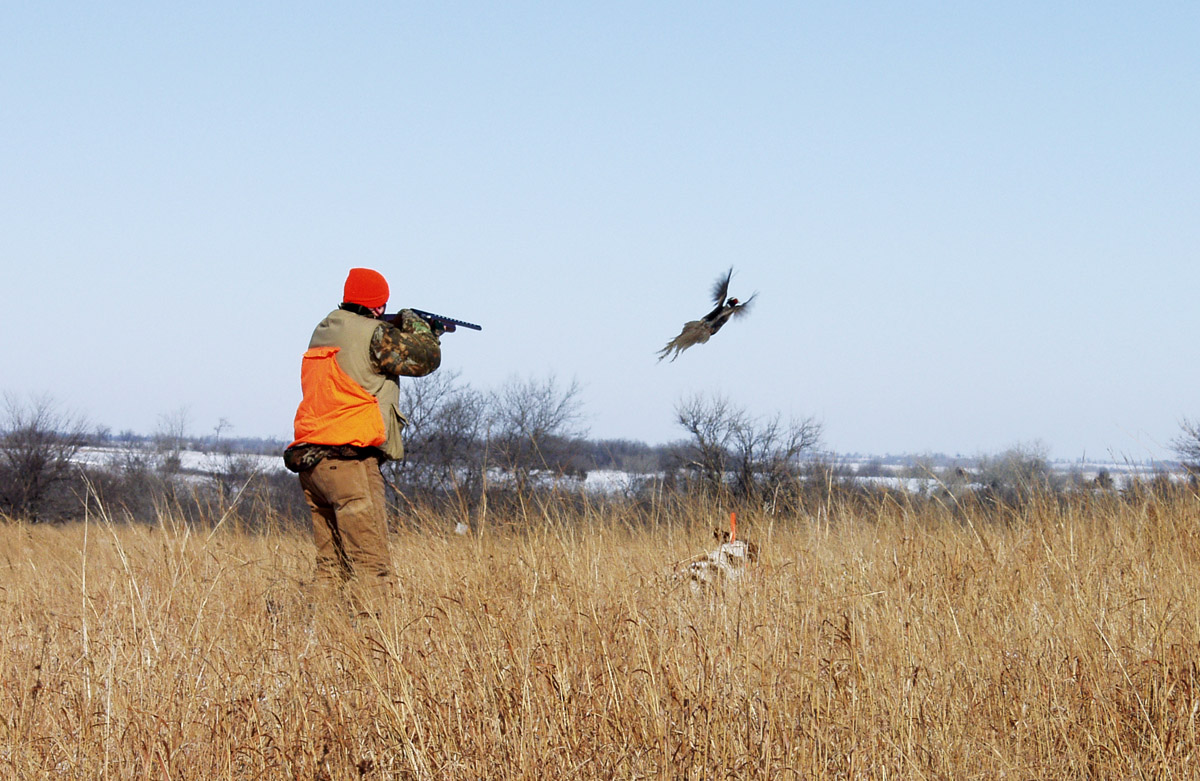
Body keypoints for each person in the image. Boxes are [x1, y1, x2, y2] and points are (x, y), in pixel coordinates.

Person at [283, 267, 441, 608]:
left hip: (312, 464)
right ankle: (373, 636)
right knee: (371, 567)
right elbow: (425, 359)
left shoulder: (324, 329)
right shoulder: (375, 334)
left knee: (331, 567)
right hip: (350, 463)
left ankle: (315, 631)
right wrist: (420, 327)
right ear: (378, 305)